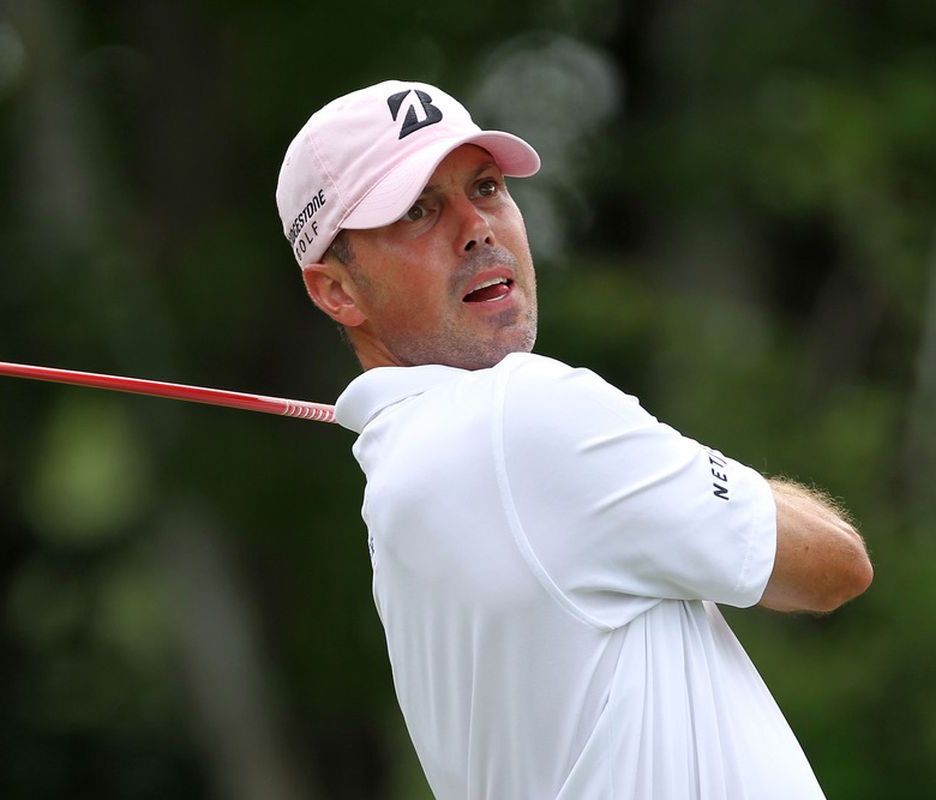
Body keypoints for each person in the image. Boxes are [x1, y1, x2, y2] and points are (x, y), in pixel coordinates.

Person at [275, 80, 874, 799]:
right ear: (337, 291)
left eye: (487, 187)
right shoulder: (524, 413)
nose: (476, 227)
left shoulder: (399, 499)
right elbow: (833, 566)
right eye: (419, 211)